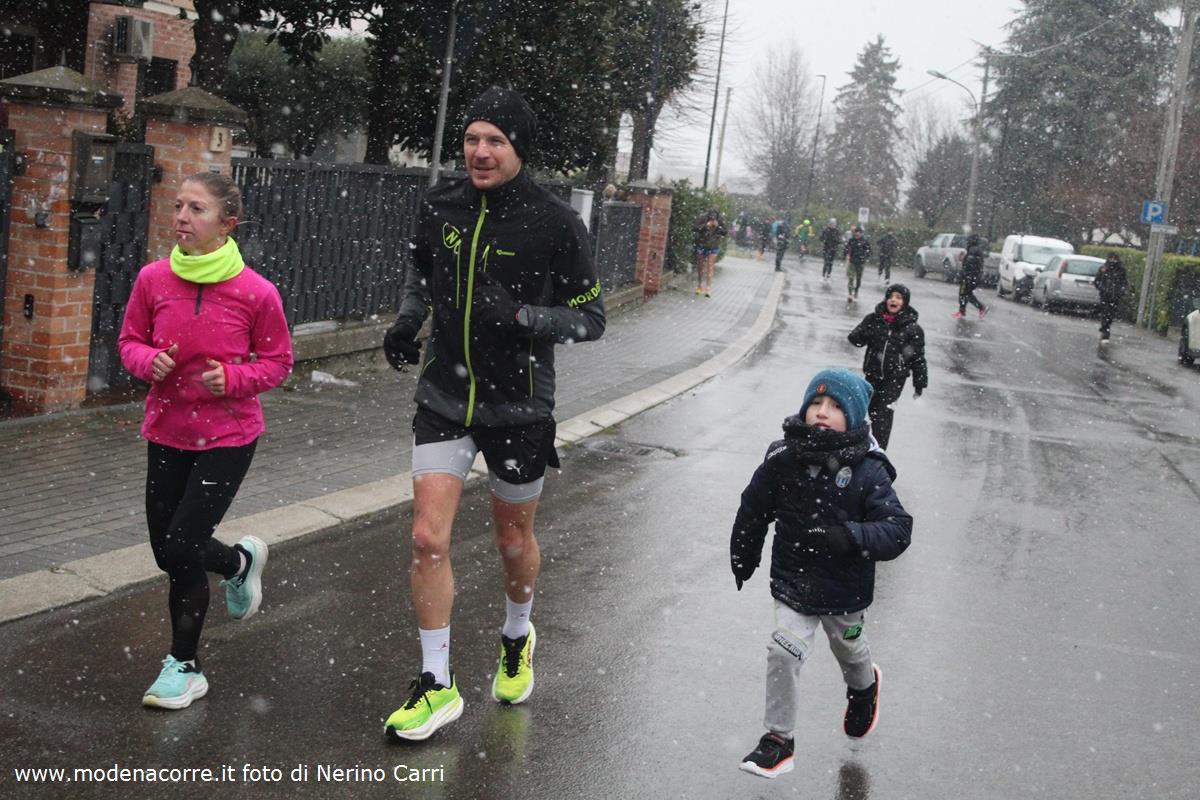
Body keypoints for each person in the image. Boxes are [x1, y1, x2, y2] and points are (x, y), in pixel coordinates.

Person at [381, 87, 606, 741]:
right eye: (472, 139)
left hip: (519, 407)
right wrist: (408, 321)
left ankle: (516, 635)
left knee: (512, 543)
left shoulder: (555, 222)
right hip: (443, 399)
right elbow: (422, 274)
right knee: (427, 538)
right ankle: (436, 682)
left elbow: (591, 318)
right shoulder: (440, 204)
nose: (480, 151)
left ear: (518, 149)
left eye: (495, 141)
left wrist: (522, 316)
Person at [117, 172, 294, 710]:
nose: (182, 217)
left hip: (228, 436)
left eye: (196, 209)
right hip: (167, 430)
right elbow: (129, 341)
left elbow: (279, 361)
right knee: (166, 551)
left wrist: (234, 378)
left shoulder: (256, 292)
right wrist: (149, 361)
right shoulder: (152, 279)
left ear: (226, 223)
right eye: (178, 206)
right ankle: (239, 564)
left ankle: (185, 665)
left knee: (182, 545)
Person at [730, 368, 913, 779]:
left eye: (834, 406)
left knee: (849, 650)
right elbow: (754, 507)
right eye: (815, 402)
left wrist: (850, 536)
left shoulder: (869, 470)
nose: (822, 412)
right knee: (783, 650)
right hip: (793, 581)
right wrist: (743, 551)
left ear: (854, 416)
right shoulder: (783, 458)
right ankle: (778, 740)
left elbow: (898, 529)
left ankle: (864, 689)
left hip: (844, 590)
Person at [848, 284, 928, 449]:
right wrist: (868, 332)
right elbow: (855, 339)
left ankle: (879, 450)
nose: (893, 300)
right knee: (871, 410)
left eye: (898, 298)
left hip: (895, 378)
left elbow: (918, 358)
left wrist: (919, 384)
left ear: (904, 302)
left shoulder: (912, 328)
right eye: (891, 297)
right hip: (873, 373)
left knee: (884, 413)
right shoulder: (874, 319)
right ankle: (866, 444)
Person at [1094, 252, 1128, 344]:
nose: (1113, 260)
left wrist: (1121, 291)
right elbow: (1097, 281)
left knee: (1111, 314)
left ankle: (1106, 328)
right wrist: (1103, 289)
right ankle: (1105, 331)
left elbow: (1124, 282)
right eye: (1111, 258)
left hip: (1115, 296)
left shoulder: (1121, 270)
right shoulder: (1103, 268)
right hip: (1105, 296)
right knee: (1105, 313)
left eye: (1115, 258)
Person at [954, 233, 988, 319]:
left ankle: (979, 308)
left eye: (968, 240)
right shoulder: (974, 250)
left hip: (969, 277)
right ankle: (963, 311)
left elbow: (969, 264)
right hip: (972, 277)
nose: (967, 242)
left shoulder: (973, 250)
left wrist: (965, 274)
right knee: (965, 294)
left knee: (964, 294)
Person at [693, 208, 726, 296]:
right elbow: (694, 228)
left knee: (710, 266)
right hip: (702, 245)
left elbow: (725, 232)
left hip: (713, 246)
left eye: (714, 217)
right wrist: (705, 226)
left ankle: (708, 288)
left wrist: (718, 227)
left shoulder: (720, 220)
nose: (712, 218)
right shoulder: (702, 218)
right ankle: (700, 285)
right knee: (700, 266)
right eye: (711, 216)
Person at [843, 226, 871, 303]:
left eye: (859, 233)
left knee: (858, 279)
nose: (857, 234)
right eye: (856, 233)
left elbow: (869, 251)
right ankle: (850, 294)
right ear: (854, 233)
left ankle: (856, 290)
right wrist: (845, 255)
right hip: (852, 262)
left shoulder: (865, 241)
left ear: (861, 233)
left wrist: (866, 257)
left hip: (861, 263)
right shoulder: (851, 240)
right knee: (851, 278)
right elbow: (846, 248)